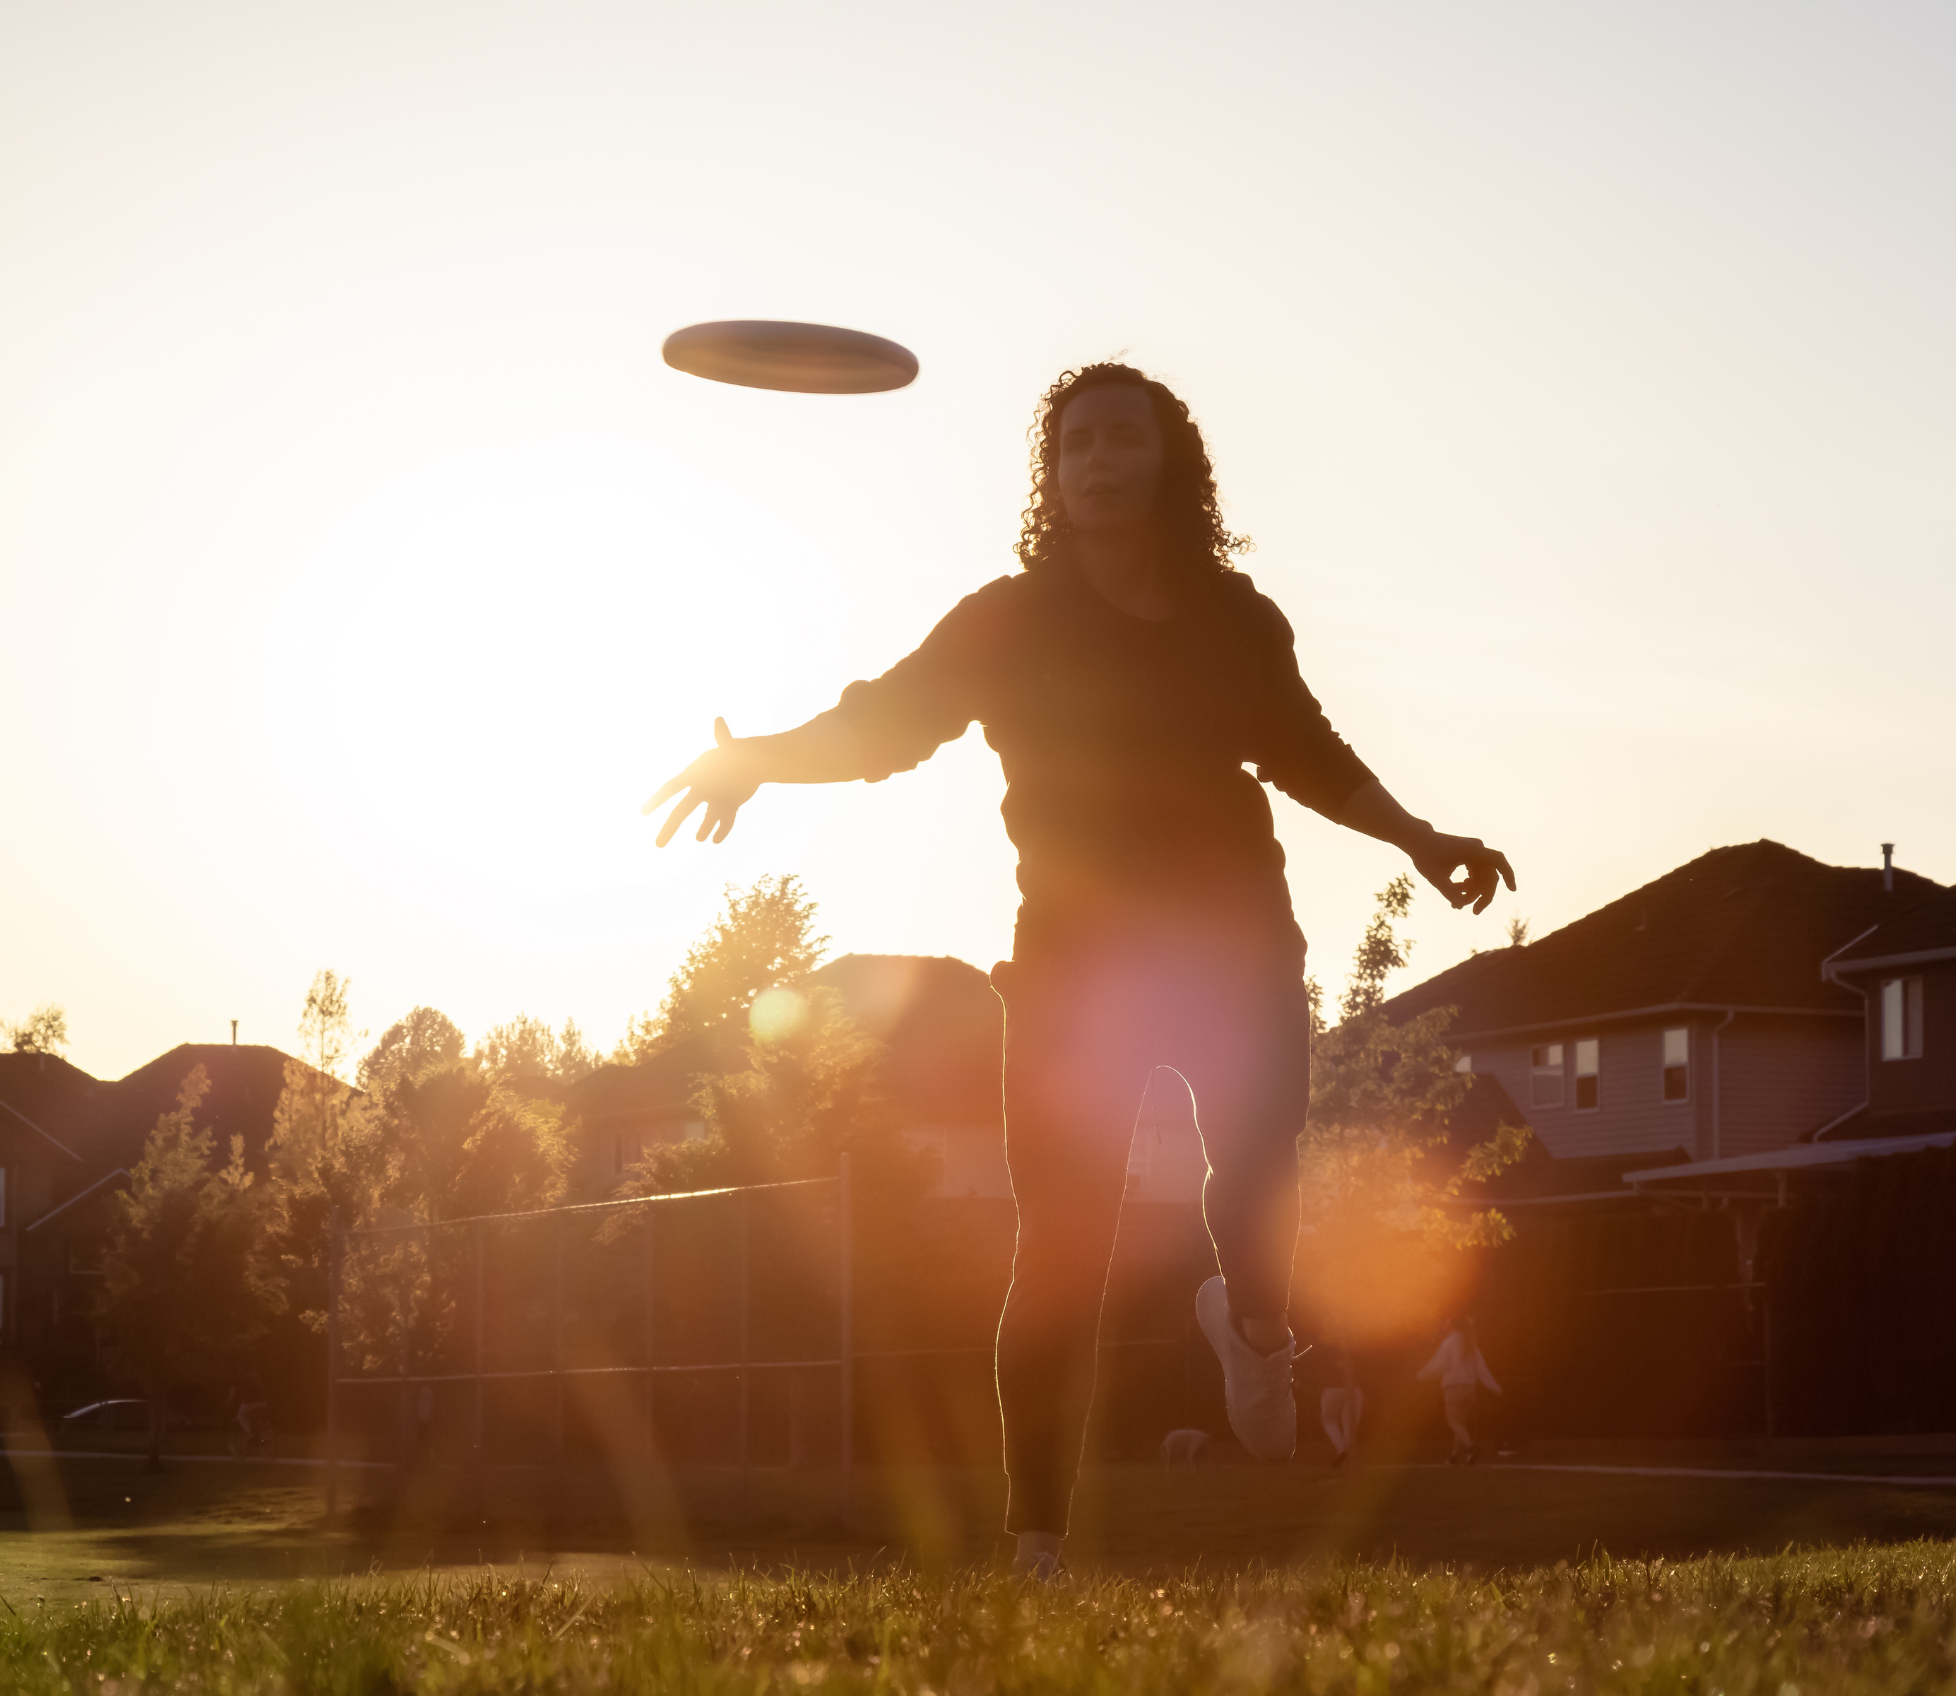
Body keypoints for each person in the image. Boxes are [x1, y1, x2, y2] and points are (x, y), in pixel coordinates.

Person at [644, 362, 1514, 1581]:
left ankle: (1254, 1323)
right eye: (1074, 445)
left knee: (1257, 1174)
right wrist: (760, 762)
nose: (1098, 459)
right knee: (1060, 1256)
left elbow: (1307, 750)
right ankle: (1039, 1541)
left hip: (1231, 946)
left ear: (1172, 462)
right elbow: (886, 722)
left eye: (1122, 437)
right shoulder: (1009, 622)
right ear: (1051, 479)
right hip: (1072, 971)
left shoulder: (1235, 620)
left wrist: (1420, 836)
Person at [1418, 1315, 1500, 1463]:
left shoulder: (1448, 1343)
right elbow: (1481, 1369)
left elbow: (1437, 1364)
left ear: (1452, 1326)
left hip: (1453, 1388)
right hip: (1469, 1389)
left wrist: (1421, 1376)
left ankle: (1471, 1448)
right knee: (1460, 1424)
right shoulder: (1471, 1344)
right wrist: (1494, 1386)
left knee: (1453, 1423)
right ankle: (1454, 1456)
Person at [1319, 1345, 1365, 1470]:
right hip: (1353, 1387)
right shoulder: (1355, 1349)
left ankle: (1342, 1450)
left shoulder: (1326, 1348)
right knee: (1349, 1423)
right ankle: (1347, 1453)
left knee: (1329, 1420)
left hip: (1331, 1388)